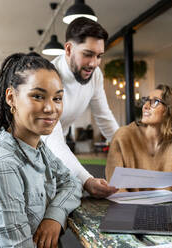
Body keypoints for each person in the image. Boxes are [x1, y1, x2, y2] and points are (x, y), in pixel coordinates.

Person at [0, 53, 82, 248]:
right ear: (11, 98)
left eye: (57, 98)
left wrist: (54, 216)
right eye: (38, 96)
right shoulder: (0, 167)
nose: (51, 108)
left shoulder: (38, 149)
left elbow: (72, 183)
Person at [43, 17, 118, 198]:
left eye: (99, 56)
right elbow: (52, 139)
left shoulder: (95, 75)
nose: (94, 63)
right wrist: (86, 180)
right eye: (88, 54)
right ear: (68, 49)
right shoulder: (48, 77)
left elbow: (104, 117)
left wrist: (126, 146)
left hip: (60, 144)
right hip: (38, 145)